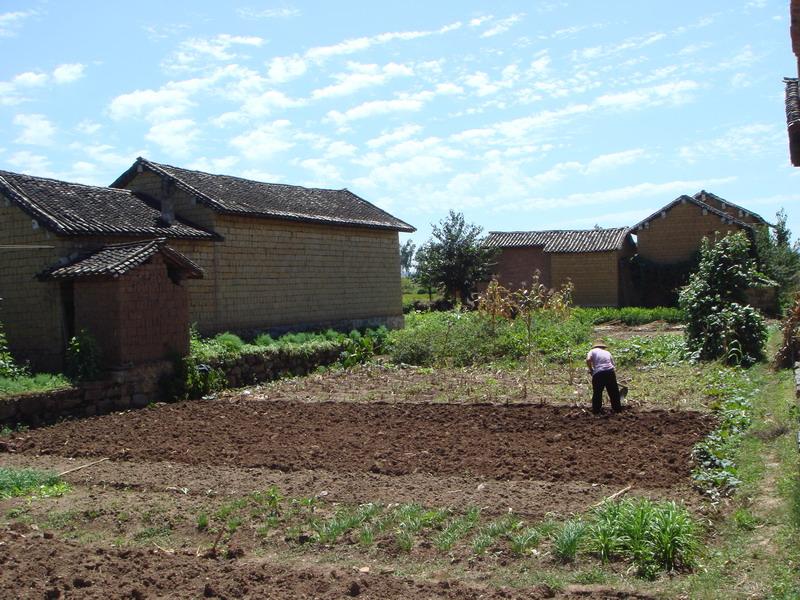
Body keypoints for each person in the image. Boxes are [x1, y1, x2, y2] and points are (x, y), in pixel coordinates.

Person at [586, 341, 622, 414]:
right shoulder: (607, 353)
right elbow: (612, 365)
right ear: (603, 347)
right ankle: (617, 410)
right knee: (614, 392)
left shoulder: (592, 351)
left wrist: (591, 370)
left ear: (595, 346)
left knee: (597, 392)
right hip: (610, 372)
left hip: (598, 373)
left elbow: (588, 360)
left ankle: (596, 411)